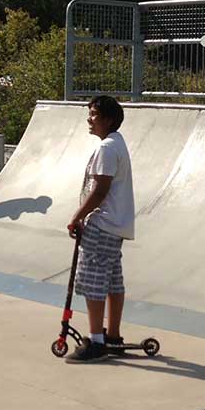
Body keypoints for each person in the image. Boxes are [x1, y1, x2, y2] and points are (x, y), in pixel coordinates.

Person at [64, 94, 135, 364]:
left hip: (102, 224)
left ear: (108, 120)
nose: (89, 119)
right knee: (113, 280)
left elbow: (100, 190)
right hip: (116, 226)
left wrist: (77, 216)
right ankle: (113, 335)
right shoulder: (118, 143)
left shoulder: (106, 148)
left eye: (94, 115)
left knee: (92, 281)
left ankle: (96, 341)